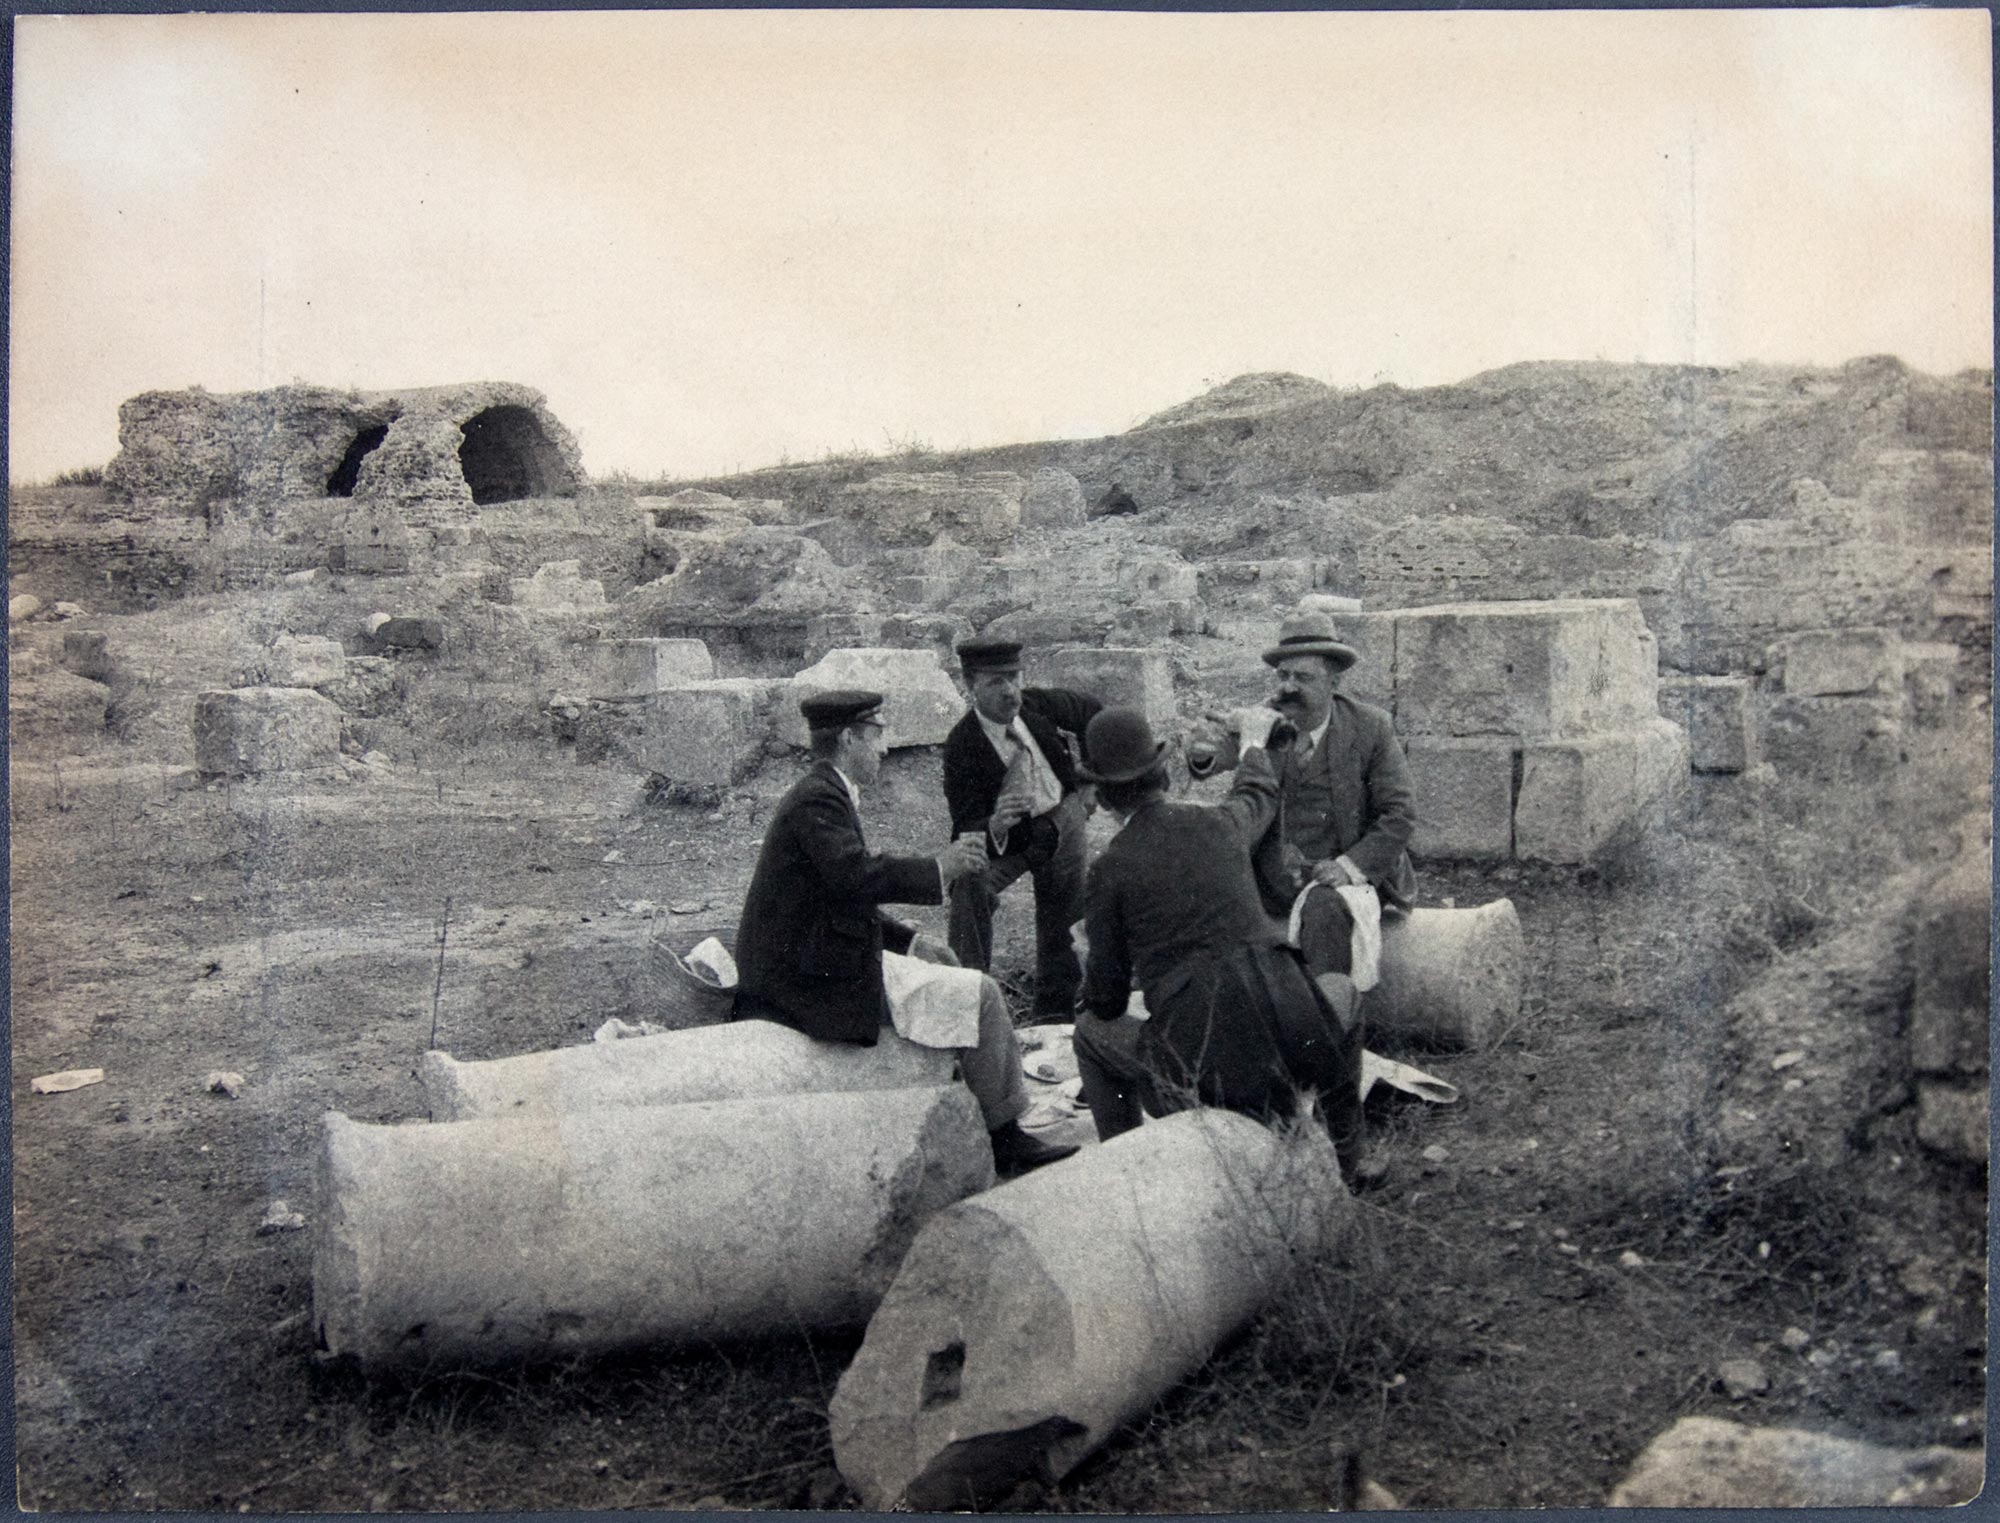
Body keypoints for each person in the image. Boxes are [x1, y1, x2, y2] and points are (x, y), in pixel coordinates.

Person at [734, 688, 1078, 1176]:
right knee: (980, 993)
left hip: (809, 957)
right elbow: (857, 876)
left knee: (955, 983)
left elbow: (840, 894)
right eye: (877, 735)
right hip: (807, 976)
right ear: (850, 738)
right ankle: (1005, 1136)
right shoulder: (819, 798)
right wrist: (941, 867)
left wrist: (914, 942)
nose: (884, 748)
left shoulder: (822, 791)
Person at [1069, 705, 1366, 1176]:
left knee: (1089, 1034)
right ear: (1163, 773)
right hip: (1295, 1040)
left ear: (1103, 799)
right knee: (1344, 991)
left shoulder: (1109, 870)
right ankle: (1350, 1158)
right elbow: (1257, 791)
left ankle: (1127, 1177)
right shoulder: (1221, 824)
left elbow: (1105, 1002)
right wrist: (1252, 744)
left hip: (1207, 1072)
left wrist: (1091, 959)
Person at [1251, 609, 1417, 979]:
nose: (1289, 687)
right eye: (1283, 676)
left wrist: (1348, 867)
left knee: (1324, 912)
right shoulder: (1265, 721)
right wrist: (1202, 755)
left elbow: (1399, 812)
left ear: (1334, 682)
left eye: (1304, 677)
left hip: (1346, 875)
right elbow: (1218, 756)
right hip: (1274, 878)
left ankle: (1334, 1024)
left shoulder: (1370, 728)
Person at [940, 639, 1102, 1019]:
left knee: (1064, 920)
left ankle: (1053, 1017)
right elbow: (965, 826)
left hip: (1063, 819)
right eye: (996, 682)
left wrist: (1090, 781)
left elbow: (1093, 712)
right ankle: (970, 1004)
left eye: (1013, 677)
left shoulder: (1037, 706)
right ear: (970, 684)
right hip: (1011, 841)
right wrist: (994, 823)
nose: (1010, 690)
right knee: (969, 885)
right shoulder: (961, 745)